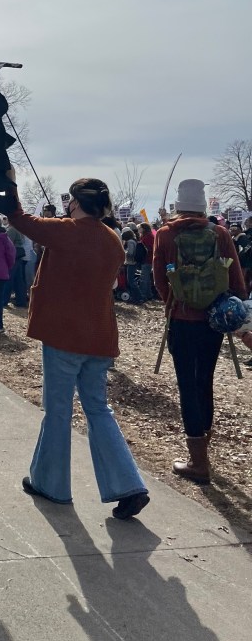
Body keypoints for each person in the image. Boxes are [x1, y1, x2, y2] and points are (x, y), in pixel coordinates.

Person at [6, 176, 150, 519]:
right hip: (99, 336)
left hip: (64, 336)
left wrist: (10, 185)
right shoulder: (114, 240)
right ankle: (129, 485)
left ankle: (51, 485)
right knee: (98, 409)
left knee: (57, 409)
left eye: (70, 200)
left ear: (76, 202)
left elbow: (19, 218)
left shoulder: (66, 229)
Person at [152, 179, 246, 483]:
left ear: (178, 206)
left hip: (181, 319)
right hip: (212, 322)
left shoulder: (165, 234)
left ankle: (198, 462)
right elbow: (236, 281)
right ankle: (203, 447)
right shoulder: (220, 233)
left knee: (186, 384)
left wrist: (174, 303)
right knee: (204, 380)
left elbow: (159, 280)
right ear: (203, 206)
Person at [3, 217, 29, 307]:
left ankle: (4, 300)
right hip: (18, 256)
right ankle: (21, 301)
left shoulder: (12, 230)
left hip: (13, 255)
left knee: (9, 279)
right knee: (19, 280)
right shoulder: (18, 229)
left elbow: (8, 243)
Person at [120, 229, 143, 304]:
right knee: (131, 280)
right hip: (134, 262)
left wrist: (124, 252)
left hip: (131, 263)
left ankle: (138, 297)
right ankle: (137, 297)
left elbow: (130, 253)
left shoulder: (130, 242)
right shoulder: (134, 241)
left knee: (131, 281)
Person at [138, 222, 156, 301]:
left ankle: (143, 295)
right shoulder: (146, 235)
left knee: (144, 278)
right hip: (145, 259)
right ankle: (149, 294)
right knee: (147, 278)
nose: (139, 229)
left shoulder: (148, 236)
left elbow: (150, 248)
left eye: (140, 228)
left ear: (144, 228)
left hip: (147, 259)